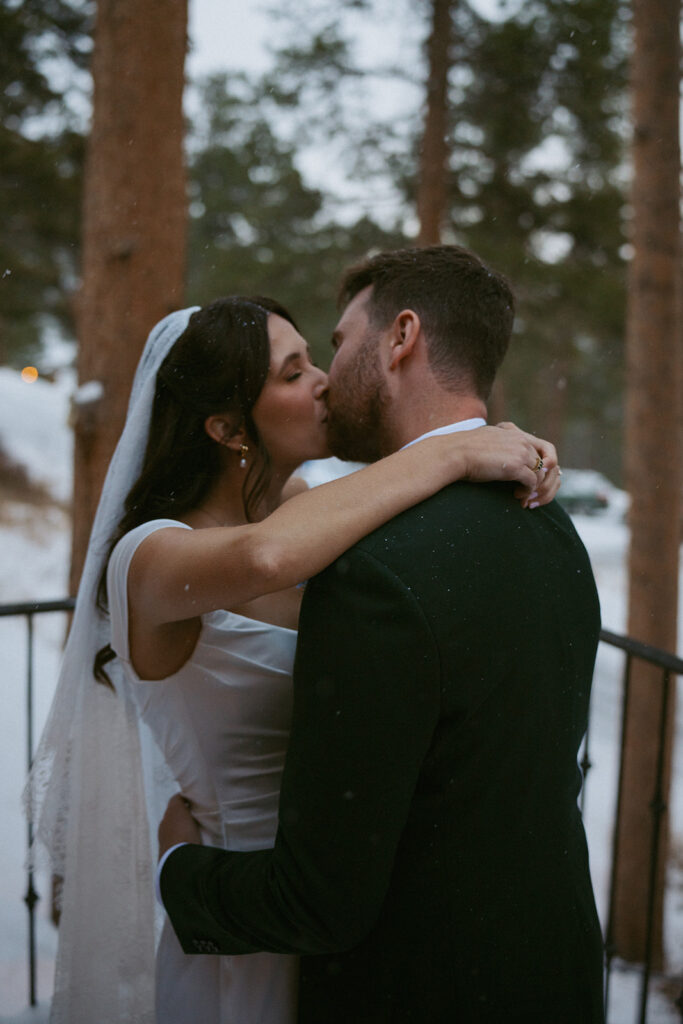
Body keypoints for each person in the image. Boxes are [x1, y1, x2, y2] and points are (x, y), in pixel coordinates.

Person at [25, 286, 560, 1024]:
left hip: (352, 904)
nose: (324, 380)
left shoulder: (313, 505)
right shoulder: (149, 558)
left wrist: (497, 449)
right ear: (225, 426)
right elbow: (266, 556)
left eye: (316, 357)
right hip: (244, 912)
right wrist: (457, 448)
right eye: (291, 372)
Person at [158, 246, 605, 1024]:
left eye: (335, 342)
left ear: (399, 338)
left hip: (423, 989)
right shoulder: (548, 522)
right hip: (552, 968)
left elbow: (319, 901)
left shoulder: (374, 573)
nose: (328, 375)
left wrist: (167, 867)